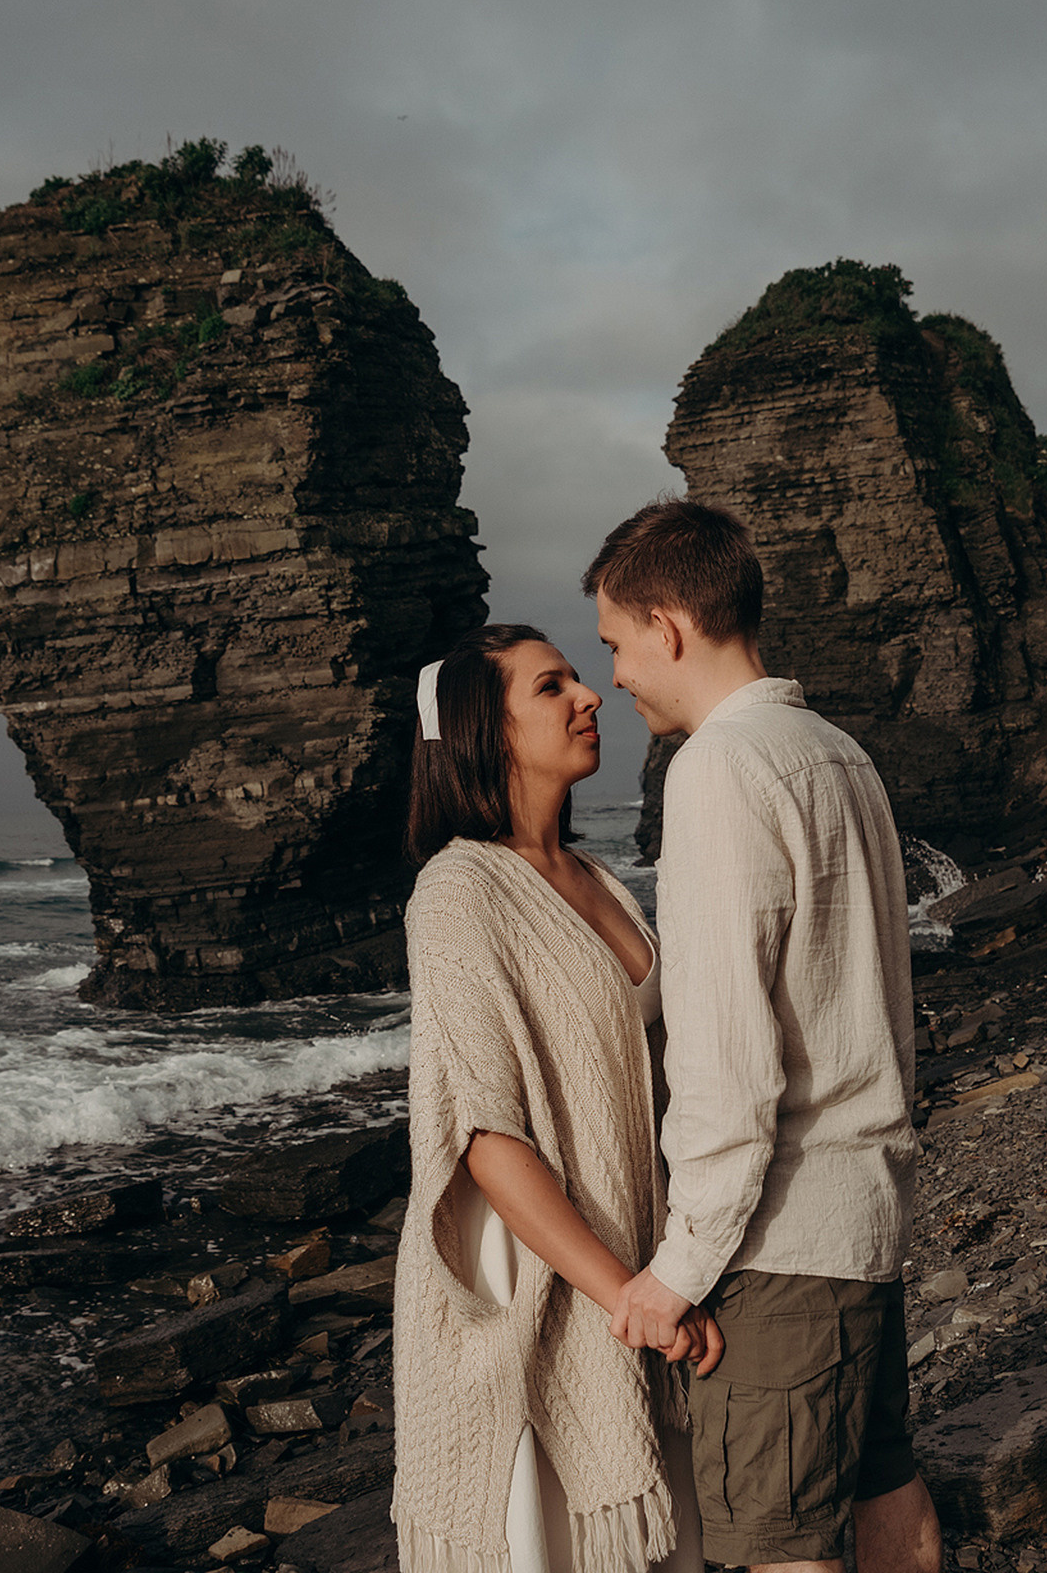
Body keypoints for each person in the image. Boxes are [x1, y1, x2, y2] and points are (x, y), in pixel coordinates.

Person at [583, 501, 943, 1573]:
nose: (614, 676)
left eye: (614, 644)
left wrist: (680, 1267)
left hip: (780, 1238)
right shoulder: (836, 752)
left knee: (780, 1543)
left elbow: (729, 1059)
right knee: (883, 1480)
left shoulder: (717, 769)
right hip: (863, 1214)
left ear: (667, 626)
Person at [391, 622, 711, 1573]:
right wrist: (626, 1297)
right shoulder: (457, 890)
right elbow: (485, 1135)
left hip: (630, 1243)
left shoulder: (597, 877)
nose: (589, 695)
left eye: (577, 676)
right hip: (533, 1264)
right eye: (550, 686)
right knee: (558, 1536)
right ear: (485, 731)